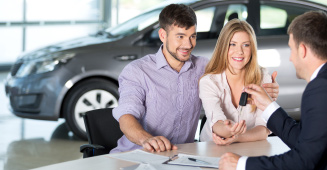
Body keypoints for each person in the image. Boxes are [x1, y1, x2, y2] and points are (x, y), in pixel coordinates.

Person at [110, 4, 279, 153]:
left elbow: (235, 70)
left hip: (181, 157)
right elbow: (126, 116)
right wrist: (146, 139)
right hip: (137, 154)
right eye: (180, 36)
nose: (188, 44)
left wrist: (270, 92)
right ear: (163, 35)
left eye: (193, 36)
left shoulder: (204, 69)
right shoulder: (138, 71)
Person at [219, 11, 327, 170]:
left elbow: (303, 161)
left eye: (291, 49)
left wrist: (240, 164)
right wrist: (268, 105)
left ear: (302, 50)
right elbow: (302, 139)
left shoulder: (323, 88)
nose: (290, 58)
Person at [199, 19, 275, 145]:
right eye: (232, 44)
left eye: (246, 45)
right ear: (223, 47)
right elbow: (217, 123)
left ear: (252, 49)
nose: (239, 51)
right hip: (213, 146)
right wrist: (227, 129)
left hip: (249, 146)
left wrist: (237, 137)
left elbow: (264, 129)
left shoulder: (262, 78)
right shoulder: (209, 81)